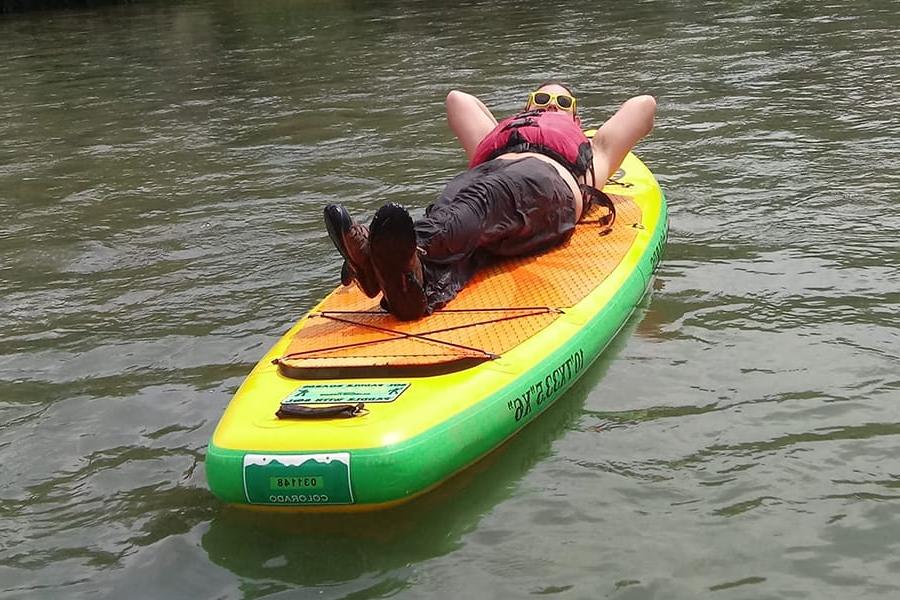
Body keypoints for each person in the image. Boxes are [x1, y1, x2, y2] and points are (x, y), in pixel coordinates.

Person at [324, 81, 656, 321]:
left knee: (476, 204)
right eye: (542, 98)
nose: (552, 104)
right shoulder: (496, 139)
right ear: (527, 106)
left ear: (576, 118)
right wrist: (511, 127)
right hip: (490, 190)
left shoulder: (595, 151)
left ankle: (381, 256)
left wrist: (577, 130)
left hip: (545, 185)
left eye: (563, 102)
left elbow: (644, 106)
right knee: (461, 222)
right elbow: (458, 100)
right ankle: (409, 285)